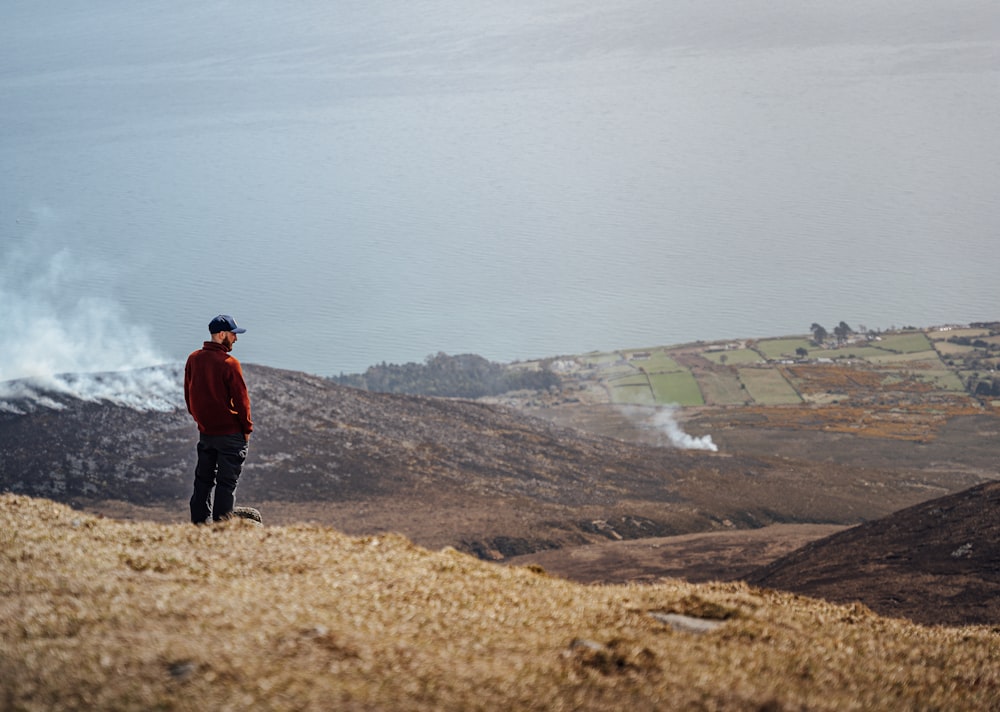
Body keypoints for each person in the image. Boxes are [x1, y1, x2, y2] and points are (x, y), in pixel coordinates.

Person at [184, 314, 253, 524]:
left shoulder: (194, 359)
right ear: (221, 334)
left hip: (206, 433)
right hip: (231, 435)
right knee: (226, 484)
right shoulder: (230, 364)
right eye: (233, 335)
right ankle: (221, 529)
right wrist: (247, 429)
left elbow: (189, 395)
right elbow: (242, 401)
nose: (236, 339)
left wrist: (200, 421)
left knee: (203, 481)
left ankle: (199, 527)